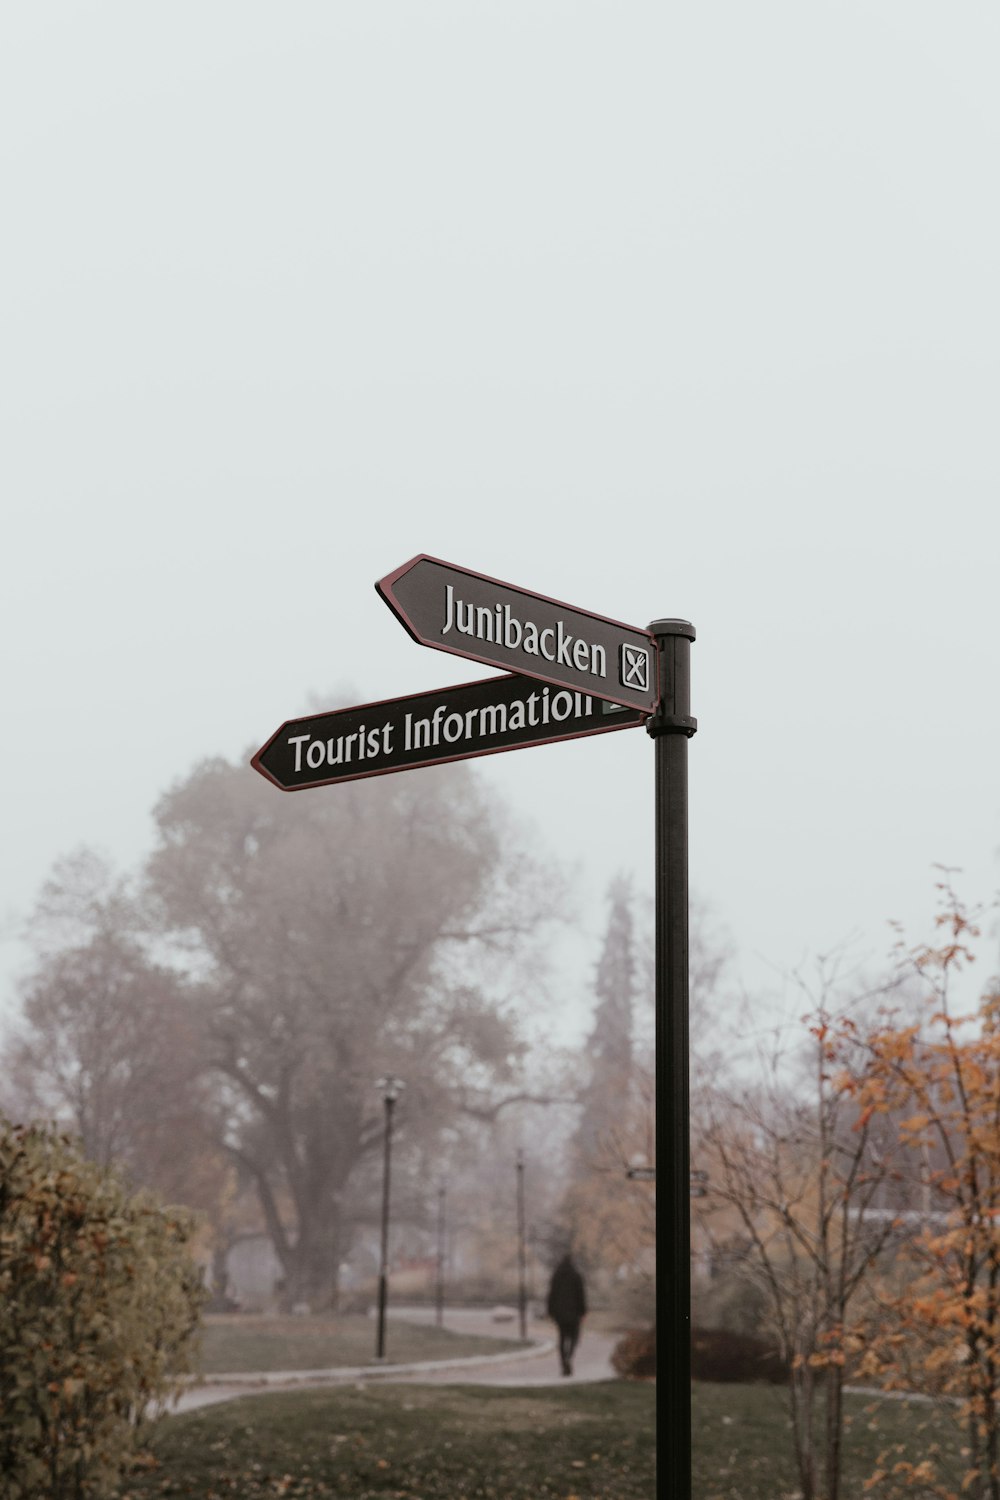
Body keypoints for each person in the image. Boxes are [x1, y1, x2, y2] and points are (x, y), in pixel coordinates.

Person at [546, 1252, 587, 1376]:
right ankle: (569, 1357)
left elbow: (551, 1295)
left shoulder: (556, 1276)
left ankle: (564, 1361)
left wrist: (550, 1311)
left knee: (562, 1337)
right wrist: (583, 1311)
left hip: (559, 1313)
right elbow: (581, 1295)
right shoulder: (576, 1276)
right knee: (574, 1337)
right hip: (574, 1313)